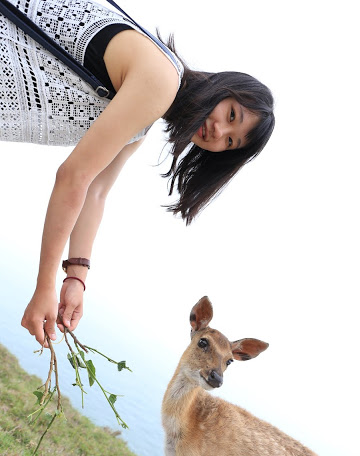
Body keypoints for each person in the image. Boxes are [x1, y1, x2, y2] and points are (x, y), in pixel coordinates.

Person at [0, 0, 275, 346]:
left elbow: (96, 191)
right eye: (232, 114)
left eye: (230, 142)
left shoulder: (146, 115)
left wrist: (76, 277)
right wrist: (44, 286)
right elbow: (74, 177)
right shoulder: (160, 80)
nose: (219, 132)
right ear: (222, 88)